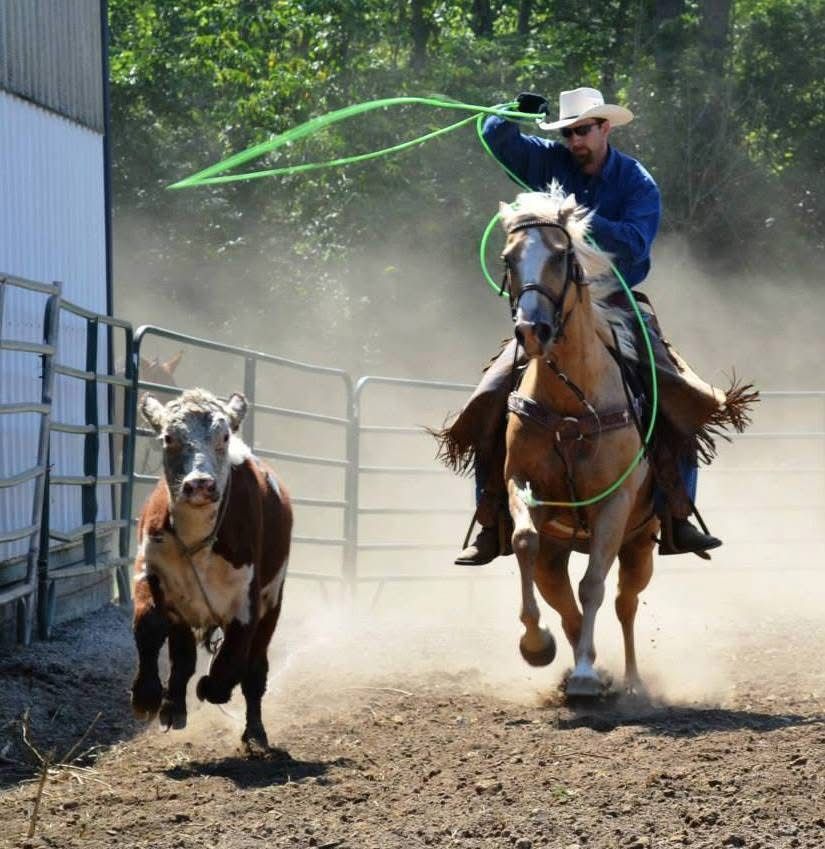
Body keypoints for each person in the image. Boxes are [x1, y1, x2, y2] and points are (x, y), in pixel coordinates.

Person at [450, 86, 724, 565]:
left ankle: (677, 514)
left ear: (604, 128)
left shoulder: (637, 182)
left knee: (676, 390)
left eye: (583, 131)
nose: (575, 141)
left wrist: (575, 223)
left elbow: (637, 244)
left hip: (616, 300)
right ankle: (491, 517)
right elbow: (495, 135)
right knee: (491, 395)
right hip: (553, 306)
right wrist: (511, 110)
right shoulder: (549, 161)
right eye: (568, 132)